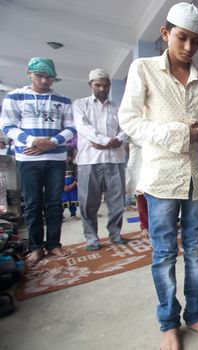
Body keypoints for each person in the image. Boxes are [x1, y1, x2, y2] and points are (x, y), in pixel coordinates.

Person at [118, 3, 198, 349]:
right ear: (165, 34)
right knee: (164, 253)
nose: (189, 47)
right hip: (162, 177)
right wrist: (179, 134)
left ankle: (195, 315)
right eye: (182, 38)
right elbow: (130, 120)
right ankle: (168, 323)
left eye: (197, 41)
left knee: (195, 249)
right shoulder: (144, 68)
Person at [0, 57, 76, 266]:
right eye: (39, 76)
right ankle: (35, 247)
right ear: (29, 74)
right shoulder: (15, 97)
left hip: (56, 159)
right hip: (28, 159)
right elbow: (7, 126)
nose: (44, 81)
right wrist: (34, 140)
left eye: (49, 77)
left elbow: (71, 128)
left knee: (54, 203)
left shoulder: (63, 100)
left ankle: (53, 244)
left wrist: (51, 142)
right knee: (33, 204)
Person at [73, 68, 128, 251]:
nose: (102, 88)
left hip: (115, 160)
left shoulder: (117, 108)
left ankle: (115, 234)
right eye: (98, 85)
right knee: (89, 203)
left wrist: (115, 141)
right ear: (91, 85)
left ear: (110, 86)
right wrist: (106, 141)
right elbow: (84, 128)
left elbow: (126, 129)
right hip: (89, 161)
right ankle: (91, 238)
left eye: (105, 85)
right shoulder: (80, 105)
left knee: (117, 202)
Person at [61, 148, 79, 219]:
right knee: (62, 200)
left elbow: (76, 175)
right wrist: (63, 186)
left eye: (70, 156)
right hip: (63, 187)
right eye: (66, 156)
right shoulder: (60, 166)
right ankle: (61, 216)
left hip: (72, 186)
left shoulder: (74, 166)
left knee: (72, 200)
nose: (68, 158)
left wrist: (73, 184)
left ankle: (73, 214)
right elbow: (58, 177)